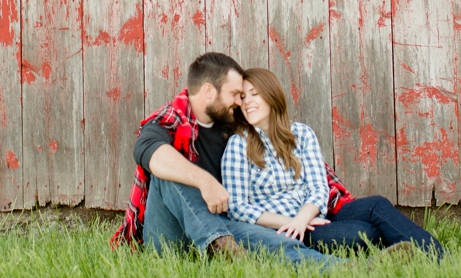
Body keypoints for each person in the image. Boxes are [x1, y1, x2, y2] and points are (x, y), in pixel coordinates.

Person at [111, 52, 336, 266]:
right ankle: (223, 246)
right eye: (235, 94)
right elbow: (148, 150)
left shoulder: (232, 128)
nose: (240, 102)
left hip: (222, 226)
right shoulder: (169, 121)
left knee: (274, 243)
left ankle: (339, 268)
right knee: (168, 171)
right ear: (209, 91)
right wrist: (204, 181)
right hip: (172, 235)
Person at [221, 67, 446, 260]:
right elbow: (238, 208)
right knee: (361, 233)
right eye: (242, 97)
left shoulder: (301, 134)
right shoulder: (238, 145)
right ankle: (399, 254)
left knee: (376, 204)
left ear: (271, 95)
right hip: (287, 230)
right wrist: (293, 223)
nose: (246, 101)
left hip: (314, 216)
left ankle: (440, 259)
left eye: (254, 94)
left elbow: (319, 188)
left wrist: (303, 217)